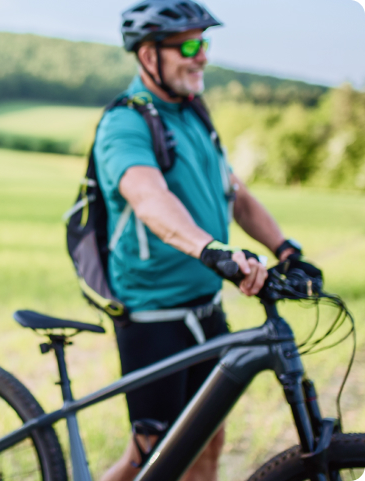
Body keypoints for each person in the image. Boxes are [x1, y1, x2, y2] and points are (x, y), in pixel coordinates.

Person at [92, 2, 321, 480]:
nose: (203, 57)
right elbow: (150, 200)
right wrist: (212, 249)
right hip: (154, 315)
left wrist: (285, 249)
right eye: (190, 46)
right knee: (150, 458)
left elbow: (235, 194)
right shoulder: (125, 122)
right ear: (148, 54)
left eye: (206, 44)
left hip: (206, 308)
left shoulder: (193, 112)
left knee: (209, 441)